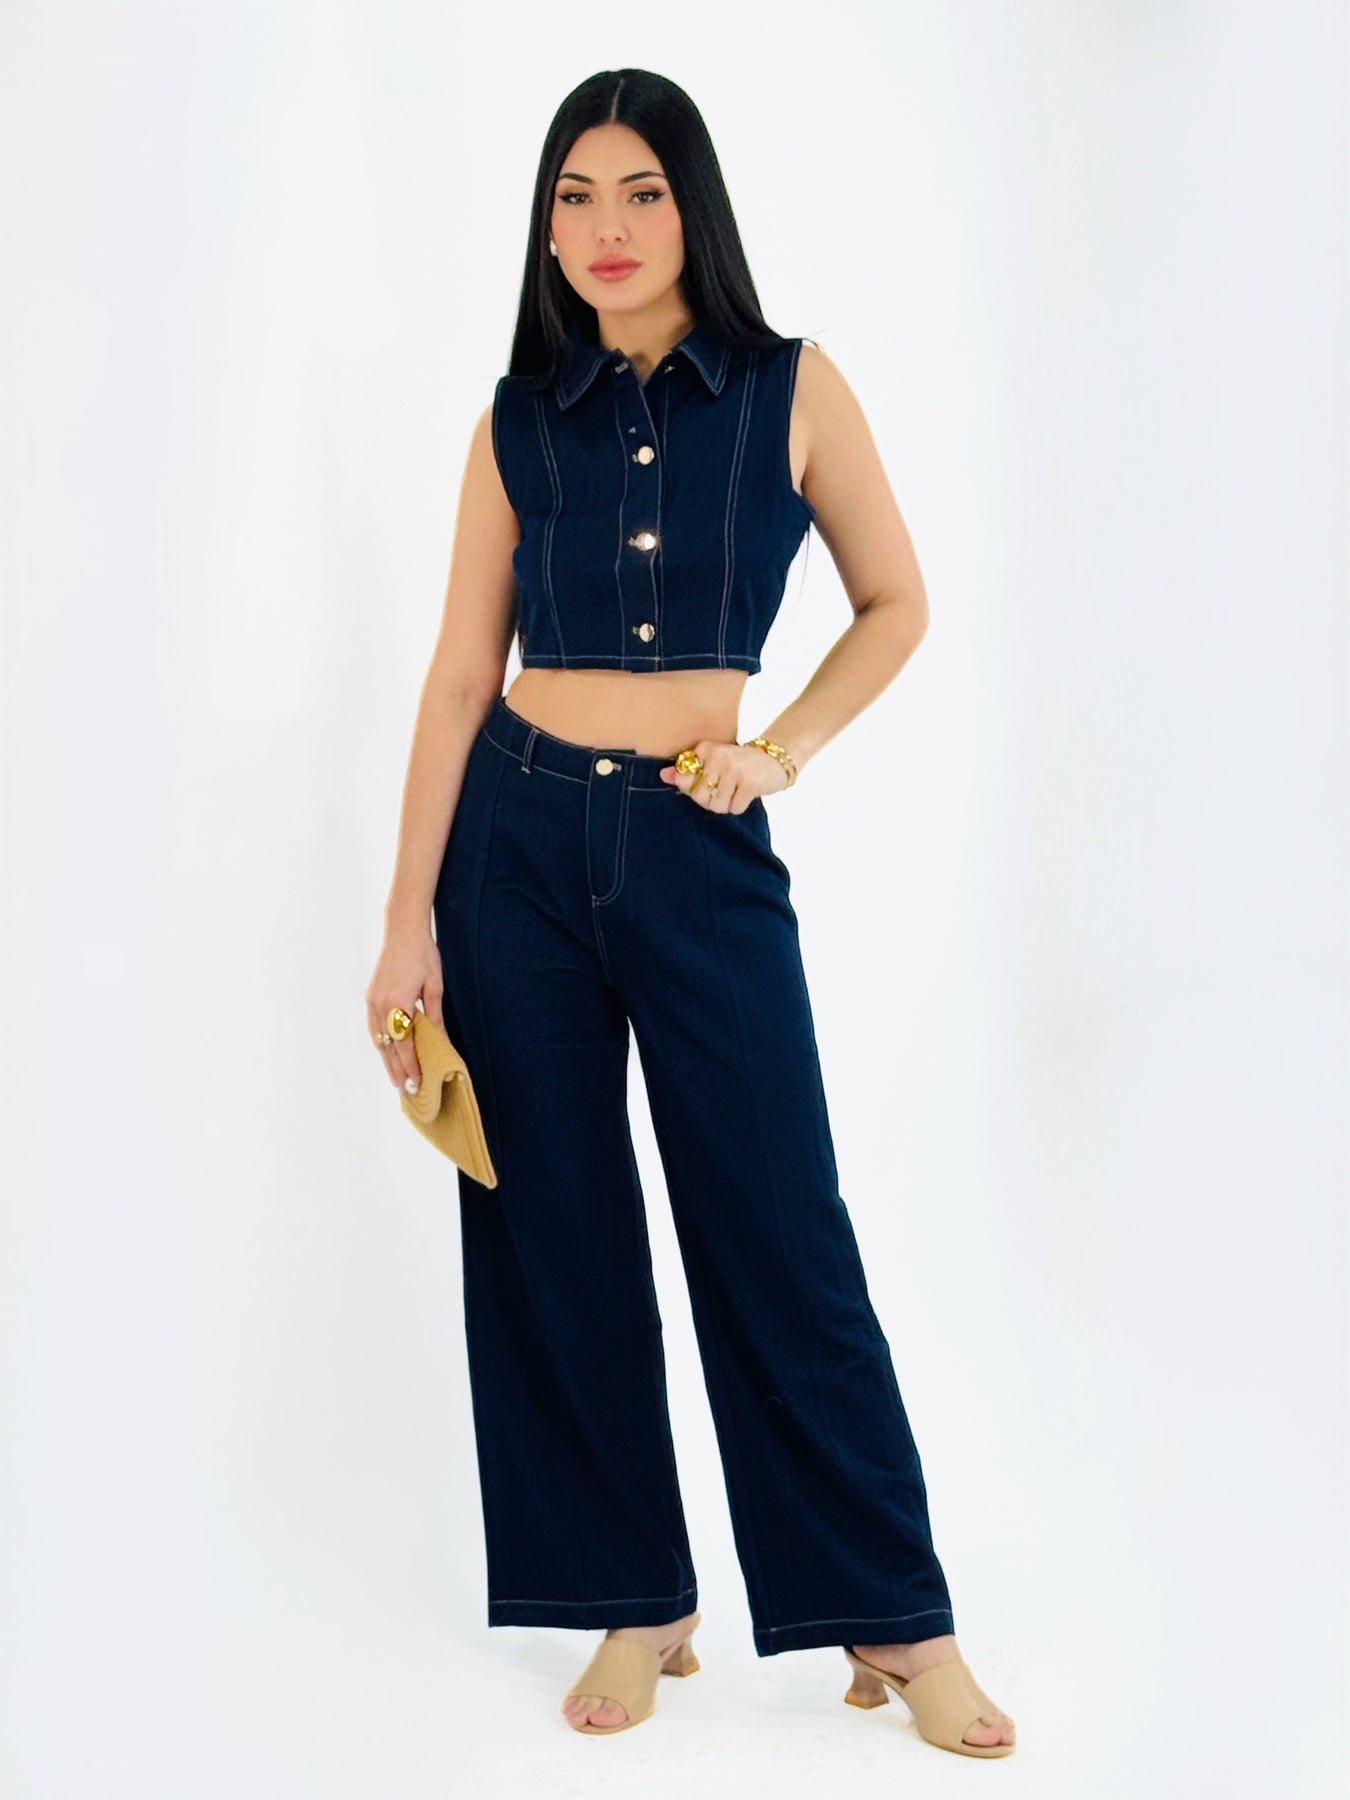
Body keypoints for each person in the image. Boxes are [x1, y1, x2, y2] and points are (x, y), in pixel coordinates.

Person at [366, 68, 1016, 1759]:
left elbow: (895, 602)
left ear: (692, 208)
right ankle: (637, 1598)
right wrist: (405, 921)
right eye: (573, 197)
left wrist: (777, 750)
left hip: (697, 842)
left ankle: (894, 1616)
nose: (606, 228)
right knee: (553, 1231)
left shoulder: (793, 389)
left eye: (639, 192)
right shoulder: (516, 420)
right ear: (545, 229)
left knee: (777, 1224)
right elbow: (457, 678)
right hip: (511, 847)